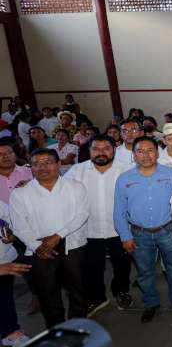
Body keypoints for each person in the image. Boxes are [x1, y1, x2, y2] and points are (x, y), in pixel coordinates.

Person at [9, 148, 89, 328]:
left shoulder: (75, 187)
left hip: (73, 246)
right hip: (38, 252)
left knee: (78, 292)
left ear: (59, 164)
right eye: (36, 164)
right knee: (48, 296)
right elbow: (19, 225)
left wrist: (57, 236)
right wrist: (37, 246)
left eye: (47, 162)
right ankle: (57, 333)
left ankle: (77, 330)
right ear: (31, 167)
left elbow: (82, 214)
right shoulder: (21, 193)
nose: (42, 167)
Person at [113, 136, 172, 323]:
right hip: (139, 234)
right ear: (134, 154)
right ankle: (151, 302)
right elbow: (119, 211)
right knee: (145, 271)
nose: (146, 155)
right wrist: (125, 236)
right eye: (140, 151)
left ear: (157, 152)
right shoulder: (124, 179)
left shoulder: (171, 174)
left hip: (168, 231)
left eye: (150, 150)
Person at [64, 135, 132, 316]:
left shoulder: (126, 170)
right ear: (89, 151)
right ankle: (98, 298)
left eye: (106, 148)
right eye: (96, 149)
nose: (101, 153)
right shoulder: (76, 171)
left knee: (122, 264)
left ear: (114, 149)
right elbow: (60, 192)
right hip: (89, 230)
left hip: (120, 230)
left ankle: (121, 291)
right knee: (92, 267)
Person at [0, 200, 31, 347]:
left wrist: (12, 235)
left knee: (5, 298)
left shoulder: (1, 205)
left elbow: (13, 221)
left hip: (5, 259)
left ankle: (10, 331)